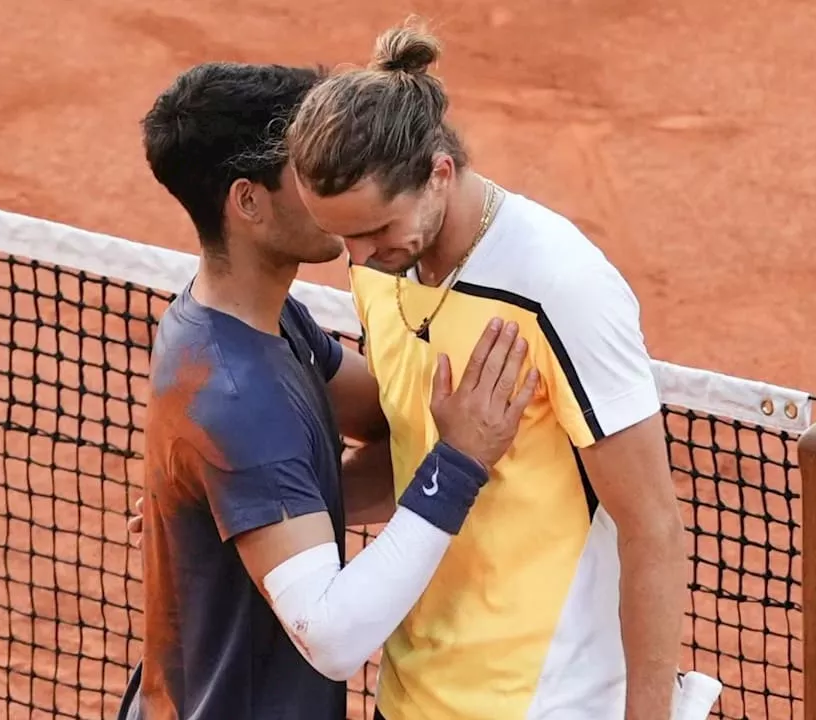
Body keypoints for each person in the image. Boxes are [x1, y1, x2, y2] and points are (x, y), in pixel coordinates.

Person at [281, 21, 687, 720]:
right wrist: (254, 516)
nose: (359, 253)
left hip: (545, 701)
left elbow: (651, 524)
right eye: (343, 235)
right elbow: (410, 459)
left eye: (376, 230)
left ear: (440, 171)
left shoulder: (557, 286)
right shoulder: (382, 267)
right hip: (412, 696)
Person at [121, 60, 540, 720]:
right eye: (306, 163)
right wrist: (458, 468)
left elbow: (385, 419)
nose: (332, 173)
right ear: (248, 202)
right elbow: (334, 637)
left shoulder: (257, 321)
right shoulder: (236, 398)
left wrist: (220, 511)